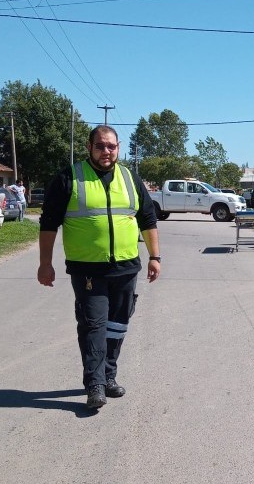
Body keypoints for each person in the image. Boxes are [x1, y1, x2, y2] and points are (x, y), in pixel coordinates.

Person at [37, 125, 161, 410]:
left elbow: (148, 218)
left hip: (127, 266)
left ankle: (108, 376)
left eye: (112, 146)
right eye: (100, 146)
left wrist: (156, 257)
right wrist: (45, 264)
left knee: (117, 325)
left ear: (119, 147)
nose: (106, 152)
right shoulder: (70, 177)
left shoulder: (130, 177)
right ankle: (94, 384)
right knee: (94, 325)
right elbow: (48, 223)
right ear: (89, 147)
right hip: (88, 269)